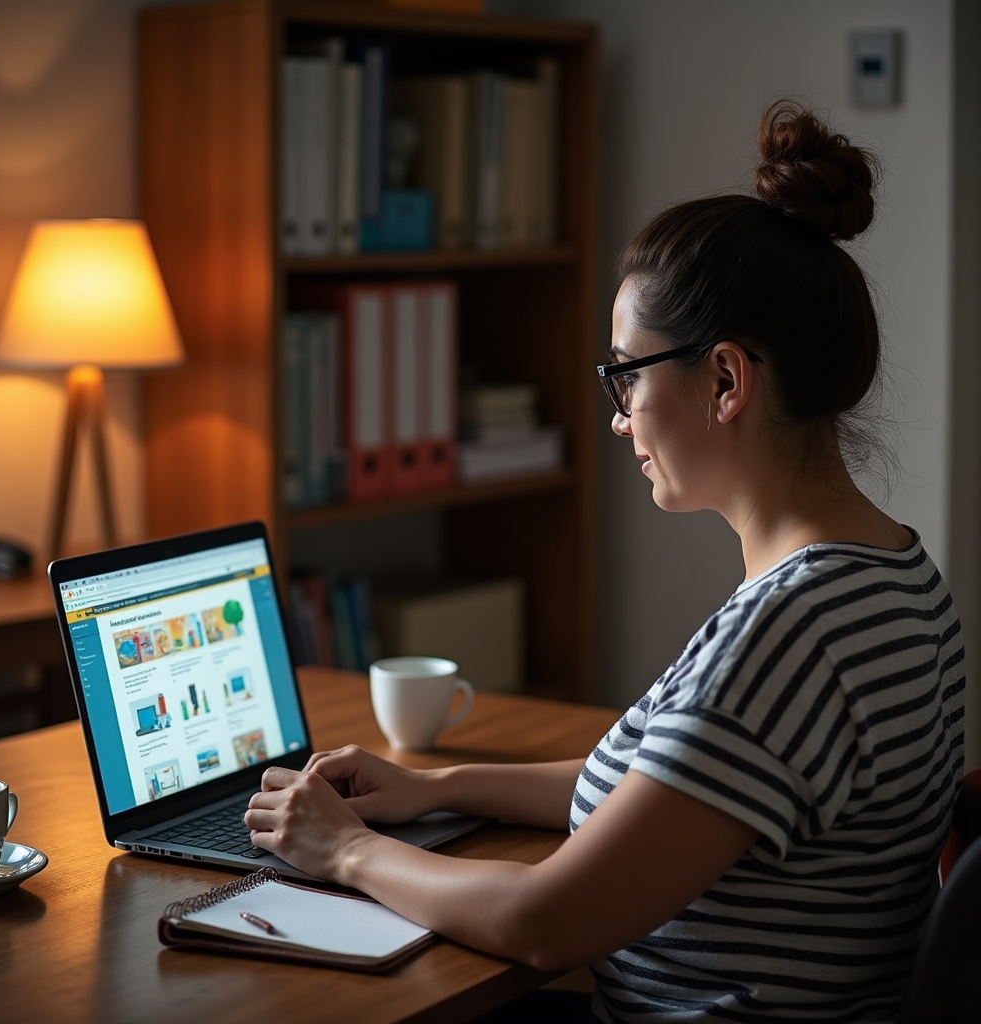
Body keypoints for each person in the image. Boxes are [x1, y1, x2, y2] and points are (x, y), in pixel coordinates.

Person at [244, 102, 966, 1022]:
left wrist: (345, 851)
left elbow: (549, 921)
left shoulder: (795, 630)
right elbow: (670, 788)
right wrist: (437, 786)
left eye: (628, 375)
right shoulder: (894, 574)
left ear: (725, 380)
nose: (620, 417)